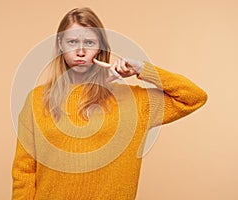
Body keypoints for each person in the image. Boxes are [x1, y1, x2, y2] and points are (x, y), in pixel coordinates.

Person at [12, 7, 207, 200]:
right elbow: (24, 171)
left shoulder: (134, 101)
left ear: (101, 47)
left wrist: (141, 69)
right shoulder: (37, 100)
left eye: (89, 42)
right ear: (60, 45)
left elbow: (194, 97)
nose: (81, 51)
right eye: (72, 42)